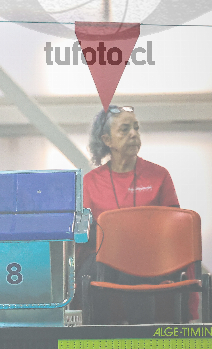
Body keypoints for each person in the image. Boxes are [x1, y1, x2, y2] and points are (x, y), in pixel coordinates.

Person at [77, 105, 190, 322]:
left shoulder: (159, 175)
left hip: (152, 256)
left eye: (136, 128)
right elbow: (85, 233)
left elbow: (175, 228)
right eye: (125, 129)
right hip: (105, 256)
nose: (133, 134)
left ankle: (141, 335)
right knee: (89, 273)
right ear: (107, 140)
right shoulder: (91, 181)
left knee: (133, 270)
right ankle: (98, 336)